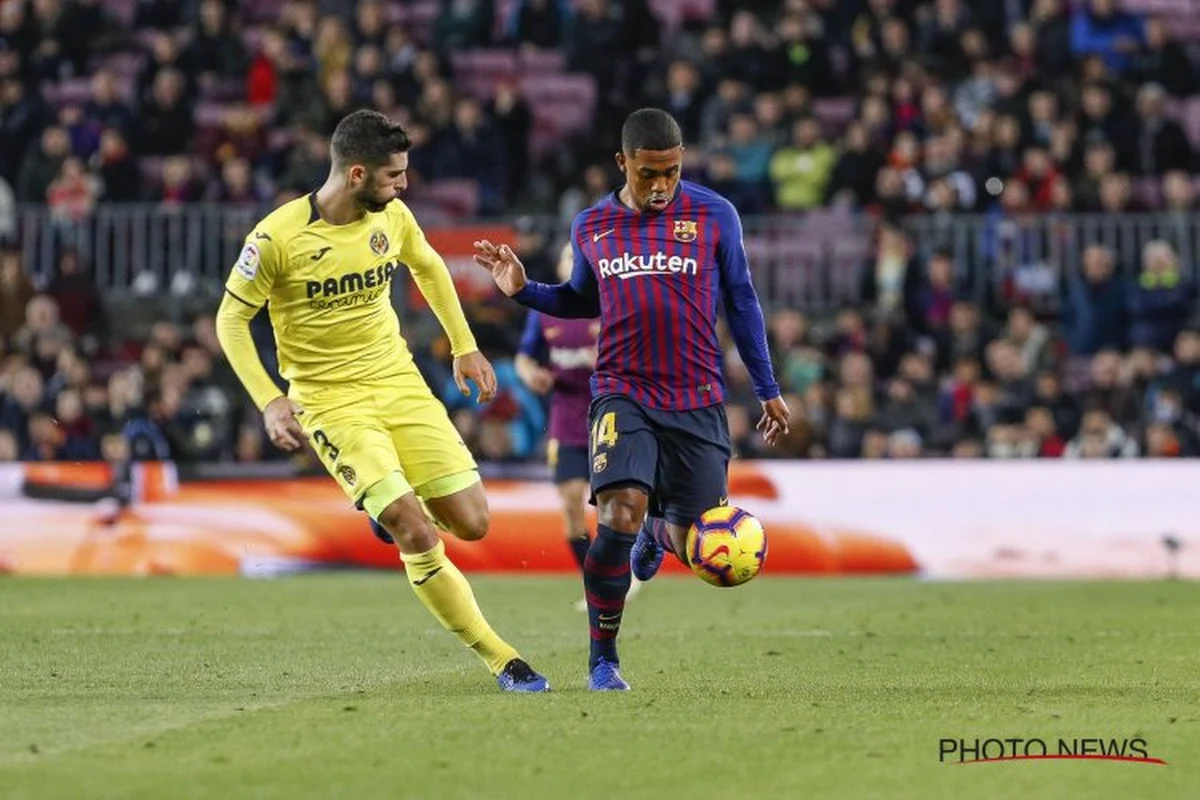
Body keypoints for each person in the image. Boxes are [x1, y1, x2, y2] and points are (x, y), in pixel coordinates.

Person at [215, 109, 549, 693]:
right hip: (329, 402)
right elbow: (230, 322)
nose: (404, 186)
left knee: (472, 524)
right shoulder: (275, 239)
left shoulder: (392, 217)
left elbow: (429, 269)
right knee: (413, 529)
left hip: (398, 382)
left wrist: (464, 348)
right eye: (395, 176)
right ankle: (504, 660)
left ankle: (386, 506)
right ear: (357, 173)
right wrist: (270, 400)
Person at [475, 108, 789, 691]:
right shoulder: (591, 224)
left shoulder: (715, 215)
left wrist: (768, 388)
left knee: (692, 544)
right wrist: (523, 291)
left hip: (697, 400)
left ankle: (658, 534)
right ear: (623, 164)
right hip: (623, 392)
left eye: (671, 171)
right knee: (617, 515)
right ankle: (603, 659)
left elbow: (743, 303)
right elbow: (579, 300)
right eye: (649, 174)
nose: (661, 185)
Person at [515, 242, 643, 610]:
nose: (575, 263)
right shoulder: (544, 313)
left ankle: (620, 571)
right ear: (558, 266)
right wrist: (530, 375)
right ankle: (599, 584)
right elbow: (525, 356)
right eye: (569, 257)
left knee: (611, 503)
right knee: (571, 505)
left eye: (581, 259)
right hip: (566, 419)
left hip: (610, 416)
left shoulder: (610, 305)